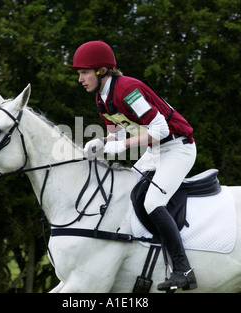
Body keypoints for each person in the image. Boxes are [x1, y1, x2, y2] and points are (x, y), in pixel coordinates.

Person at [68, 40, 197, 292]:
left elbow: (160, 129)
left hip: (179, 147)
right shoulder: (101, 99)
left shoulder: (128, 90)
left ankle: (184, 270)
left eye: (84, 72)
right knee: (127, 191)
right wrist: (101, 142)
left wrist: (124, 146)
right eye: (79, 73)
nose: (80, 78)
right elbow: (116, 134)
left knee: (152, 203)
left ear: (101, 70)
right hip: (155, 151)